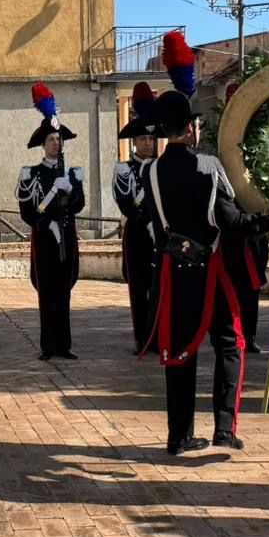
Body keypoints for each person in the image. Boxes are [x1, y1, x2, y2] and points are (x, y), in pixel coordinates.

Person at [139, 88, 269, 455]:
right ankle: (224, 428)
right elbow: (236, 223)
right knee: (230, 345)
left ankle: (179, 436)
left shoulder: (151, 172)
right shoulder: (207, 167)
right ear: (191, 128)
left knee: (179, 354)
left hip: (173, 273)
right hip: (211, 272)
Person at [17, 82, 86, 360]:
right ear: (43, 145)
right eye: (52, 140)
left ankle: (64, 344)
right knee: (47, 295)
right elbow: (27, 211)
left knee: (65, 291)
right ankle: (48, 346)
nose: (56, 143)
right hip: (45, 240)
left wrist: (69, 189)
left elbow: (79, 204)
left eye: (59, 139)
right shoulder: (31, 174)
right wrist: (47, 224)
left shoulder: (72, 173)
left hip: (67, 237)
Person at [113, 82, 160, 354]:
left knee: (158, 288)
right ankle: (142, 337)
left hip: (160, 235)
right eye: (143, 139)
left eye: (152, 139)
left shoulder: (162, 167)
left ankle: (156, 334)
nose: (148, 143)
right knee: (139, 289)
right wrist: (146, 221)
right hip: (138, 235)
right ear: (135, 141)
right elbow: (126, 203)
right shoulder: (125, 169)